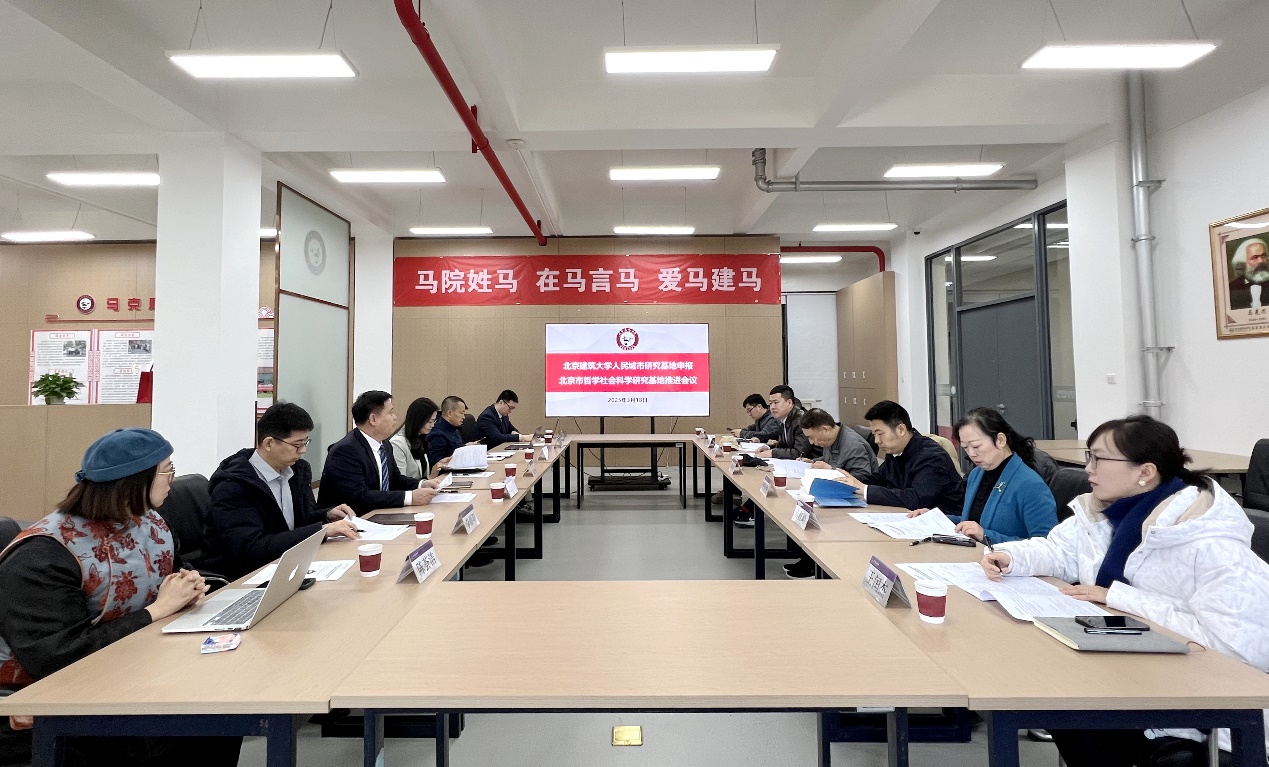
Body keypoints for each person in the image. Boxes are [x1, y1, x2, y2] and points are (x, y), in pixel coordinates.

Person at [982, 415, 1269, 767]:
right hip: (1126, 672)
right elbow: (1059, 552)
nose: (1088, 469)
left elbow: (1242, 649)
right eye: (1088, 456)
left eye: (1099, 459)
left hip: (1195, 708)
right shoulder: (1107, 512)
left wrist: (1120, 597)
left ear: (1144, 472)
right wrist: (1011, 557)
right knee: (1046, 688)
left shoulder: (1211, 544)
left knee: (1061, 701)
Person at [0, 429, 241, 767]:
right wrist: (158, 610)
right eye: (167, 470)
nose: (172, 479)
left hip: (129, 670)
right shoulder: (43, 555)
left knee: (223, 707)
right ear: (135, 481)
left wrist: (188, 585)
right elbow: (59, 656)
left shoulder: (148, 523)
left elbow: (170, 572)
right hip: (44, 699)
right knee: (196, 722)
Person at [203, 402, 361, 580]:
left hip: (291, 563)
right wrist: (321, 530)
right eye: (297, 445)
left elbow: (297, 523)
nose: (303, 451)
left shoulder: (297, 471)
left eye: (305, 442)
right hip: (247, 575)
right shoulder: (233, 486)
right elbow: (251, 548)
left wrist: (326, 515)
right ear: (269, 443)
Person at [907, 407, 1057, 543]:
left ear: (1000, 440)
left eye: (976, 446)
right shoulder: (976, 474)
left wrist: (985, 535)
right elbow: (971, 521)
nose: (971, 454)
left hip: (1005, 562)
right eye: (965, 448)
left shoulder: (1030, 485)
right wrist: (935, 518)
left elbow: (1046, 546)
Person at [782, 408, 881, 579]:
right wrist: (814, 462)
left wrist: (831, 469)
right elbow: (832, 462)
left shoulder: (853, 445)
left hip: (857, 500)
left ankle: (818, 566)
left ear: (825, 429)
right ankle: (810, 560)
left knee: (818, 520)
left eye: (812, 437)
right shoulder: (831, 439)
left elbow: (863, 479)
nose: (812, 443)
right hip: (836, 494)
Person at [317, 390, 439, 516]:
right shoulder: (346, 451)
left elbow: (395, 479)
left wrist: (421, 484)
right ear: (373, 419)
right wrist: (409, 497)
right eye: (391, 412)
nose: (395, 417)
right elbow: (359, 495)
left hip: (381, 513)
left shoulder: (385, 444)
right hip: (354, 519)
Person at [835, 400, 963, 512]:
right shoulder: (896, 451)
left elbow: (916, 499)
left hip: (946, 523)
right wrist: (847, 482)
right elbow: (878, 479)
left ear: (901, 430)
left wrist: (865, 489)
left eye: (880, 434)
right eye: (874, 435)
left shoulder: (932, 457)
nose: (877, 441)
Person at [389, 397, 451, 481]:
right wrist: (429, 478)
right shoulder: (397, 443)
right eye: (430, 422)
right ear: (419, 420)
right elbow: (400, 482)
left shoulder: (420, 437)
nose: (432, 425)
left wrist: (436, 468)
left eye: (434, 421)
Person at [754, 386, 814, 460]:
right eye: (770, 403)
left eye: (776, 402)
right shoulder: (783, 418)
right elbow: (784, 445)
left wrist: (773, 453)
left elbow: (800, 452)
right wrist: (769, 448)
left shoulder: (801, 421)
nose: (772, 407)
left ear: (789, 403)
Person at [427, 395, 471, 467]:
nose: (463, 417)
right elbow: (437, 463)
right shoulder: (437, 434)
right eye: (461, 413)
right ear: (449, 413)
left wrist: (466, 447)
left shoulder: (455, 429)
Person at [1229, 237, 1268, 310]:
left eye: (1263, 256)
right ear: (1242, 262)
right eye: (1254, 257)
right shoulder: (1231, 289)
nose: (1261, 261)